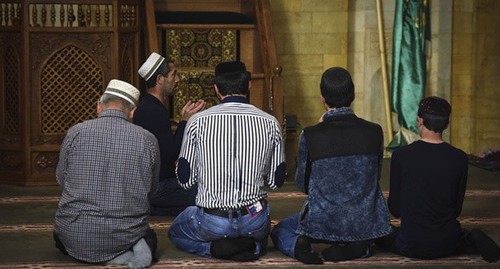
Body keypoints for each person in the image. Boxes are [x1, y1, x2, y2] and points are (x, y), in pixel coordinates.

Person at [271, 67, 392, 264]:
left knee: (281, 229)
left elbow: (303, 185)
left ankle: (299, 247)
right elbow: (375, 176)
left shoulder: (310, 135)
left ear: (322, 98)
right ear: (352, 95)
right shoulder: (374, 131)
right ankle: (360, 247)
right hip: (363, 223)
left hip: (322, 223)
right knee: (379, 229)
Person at [168, 61, 286, 261]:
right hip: (254, 219)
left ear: (216, 88)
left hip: (212, 221)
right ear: (248, 86)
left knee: (175, 232)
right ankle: (253, 248)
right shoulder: (270, 122)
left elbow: (185, 180)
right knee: (261, 232)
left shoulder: (197, 122)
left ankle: (215, 249)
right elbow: (276, 181)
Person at [377, 96, 500, 263]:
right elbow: (456, 210)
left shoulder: (401, 156)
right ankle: (470, 238)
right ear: (447, 125)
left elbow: (396, 209)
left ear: (419, 120)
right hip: (448, 243)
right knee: (456, 235)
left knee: (380, 233)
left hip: (411, 244)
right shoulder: (460, 158)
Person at [54, 79, 160, 268]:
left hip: (75, 234)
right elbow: (152, 191)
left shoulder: (76, 132)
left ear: (99, 106)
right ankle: (135, 248)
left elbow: (62, 179)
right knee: (149, 235)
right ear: (133, 111)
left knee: (59, 239)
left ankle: (112, 256)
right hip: (127, 233)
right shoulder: (148, 140)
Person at [135, 52, 205, 216]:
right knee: (212, 193)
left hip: (154, 185)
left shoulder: (150, 106)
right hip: (159, 187)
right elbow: (171, 153)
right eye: (174, 75)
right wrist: (185, 121)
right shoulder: (153, 110)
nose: (178, 80)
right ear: (160, 79)